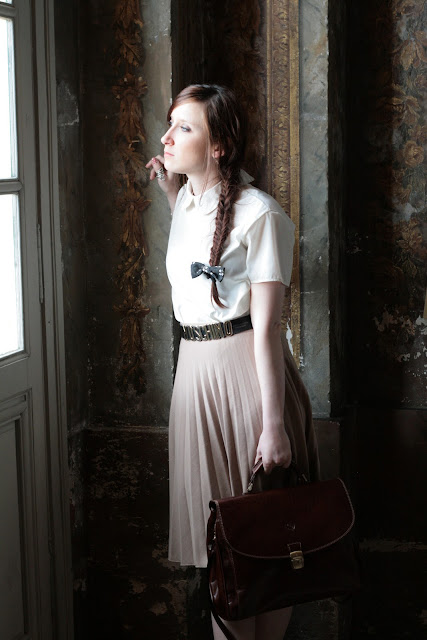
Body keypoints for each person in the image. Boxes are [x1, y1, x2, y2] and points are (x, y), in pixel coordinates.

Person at [146, 84, 320, 640]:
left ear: (218, 145)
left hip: (247, 381)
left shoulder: (260, 214)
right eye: (170, 124)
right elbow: (198, 253)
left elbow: (266, 328)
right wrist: (171, 193)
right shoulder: (186, 202)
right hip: (195, 379)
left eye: (184, 128)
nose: (167, 137)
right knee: (223, 552)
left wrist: (273, 426)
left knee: (264, 547)